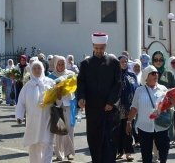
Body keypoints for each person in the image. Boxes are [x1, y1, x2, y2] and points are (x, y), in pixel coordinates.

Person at [77, 32, 121, 163]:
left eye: (101, 48)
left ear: (105, 46)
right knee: (94, 139)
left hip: (109, 110)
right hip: (93, 109)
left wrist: (111, 102)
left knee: (110, 139)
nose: (99, 51)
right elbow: (81, 82)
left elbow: (117, 84)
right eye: (96, 48)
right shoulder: (85, 64)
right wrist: (81, 97)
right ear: (93, 46)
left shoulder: (113, 62)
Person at [126, 65, 173, 163]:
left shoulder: (163, 89)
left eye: (156, 73)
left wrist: (173, 103)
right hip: (144, 126)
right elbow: (134, 107)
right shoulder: (139, 90)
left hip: (161, 125)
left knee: (164, 149)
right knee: (146, 154)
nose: (156, 75)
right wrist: (129, 122)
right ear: (146, 77)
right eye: (152, 73)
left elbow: (168, 106)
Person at [16, 61, 57, 163]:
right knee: (34, 144)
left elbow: (57, 99)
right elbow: (21, 102)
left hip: (47, 119)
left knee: (47, 143)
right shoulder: (27, 86)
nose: (37, 70)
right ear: (31, 70)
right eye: (34, 68)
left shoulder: (50, 82)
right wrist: (19, 116)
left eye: (39, 68)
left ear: (42, 69)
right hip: (32, 121)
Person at [48, 56, 76, 161]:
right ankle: (59, 154)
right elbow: (49, 92)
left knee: (69, 129)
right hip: (57, 106)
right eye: (59, 64)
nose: (61, 66)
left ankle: (69, 152)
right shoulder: (51, 77)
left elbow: (75, 89)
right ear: (55, 64)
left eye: (63, 64)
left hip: (69, 104)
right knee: (59, 130)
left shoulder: (70, 74)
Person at [116, 55, 138, 161]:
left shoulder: (132, 75)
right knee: (118, 130)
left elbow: (136, 90)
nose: (124, 63)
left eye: (126, 62)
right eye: (122, 62)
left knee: (128, 129)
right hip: (117, 107)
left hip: (129, 106)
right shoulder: (114, 75)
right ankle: (120, 151)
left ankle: (128, 152)